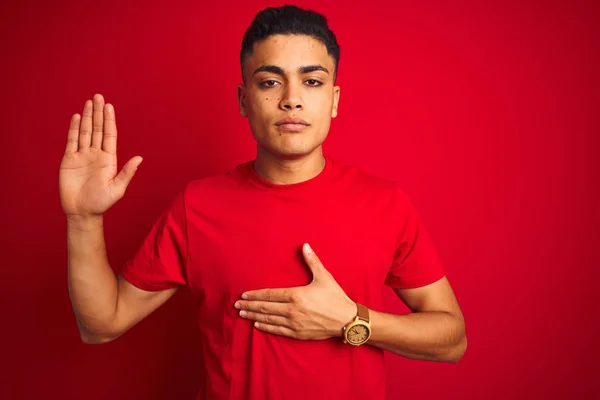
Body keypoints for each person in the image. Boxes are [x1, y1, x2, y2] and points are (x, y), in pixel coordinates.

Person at [59, 4, 467, 399]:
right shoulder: (197, 205)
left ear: (335, 100)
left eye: (312, 81)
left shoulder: (385, 203)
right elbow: (102, 323)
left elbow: (451, 339)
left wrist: (351, 320)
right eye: (270, 82)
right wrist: (82, 219)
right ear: (243, 100)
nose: (292, 99)